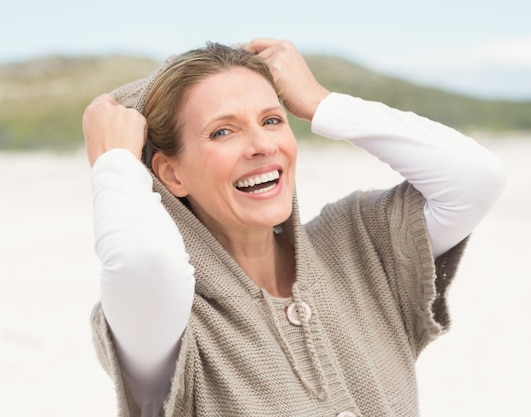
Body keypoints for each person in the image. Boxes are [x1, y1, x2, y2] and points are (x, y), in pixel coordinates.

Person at [83, 38, 506, 417]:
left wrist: (322, 103)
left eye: (271, 120)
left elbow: (474, 179)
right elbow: (144, 262)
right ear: (170, 174)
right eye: (222, 131)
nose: (264, 146)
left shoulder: (358, 242)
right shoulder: (164, 319)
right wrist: (115, 161)